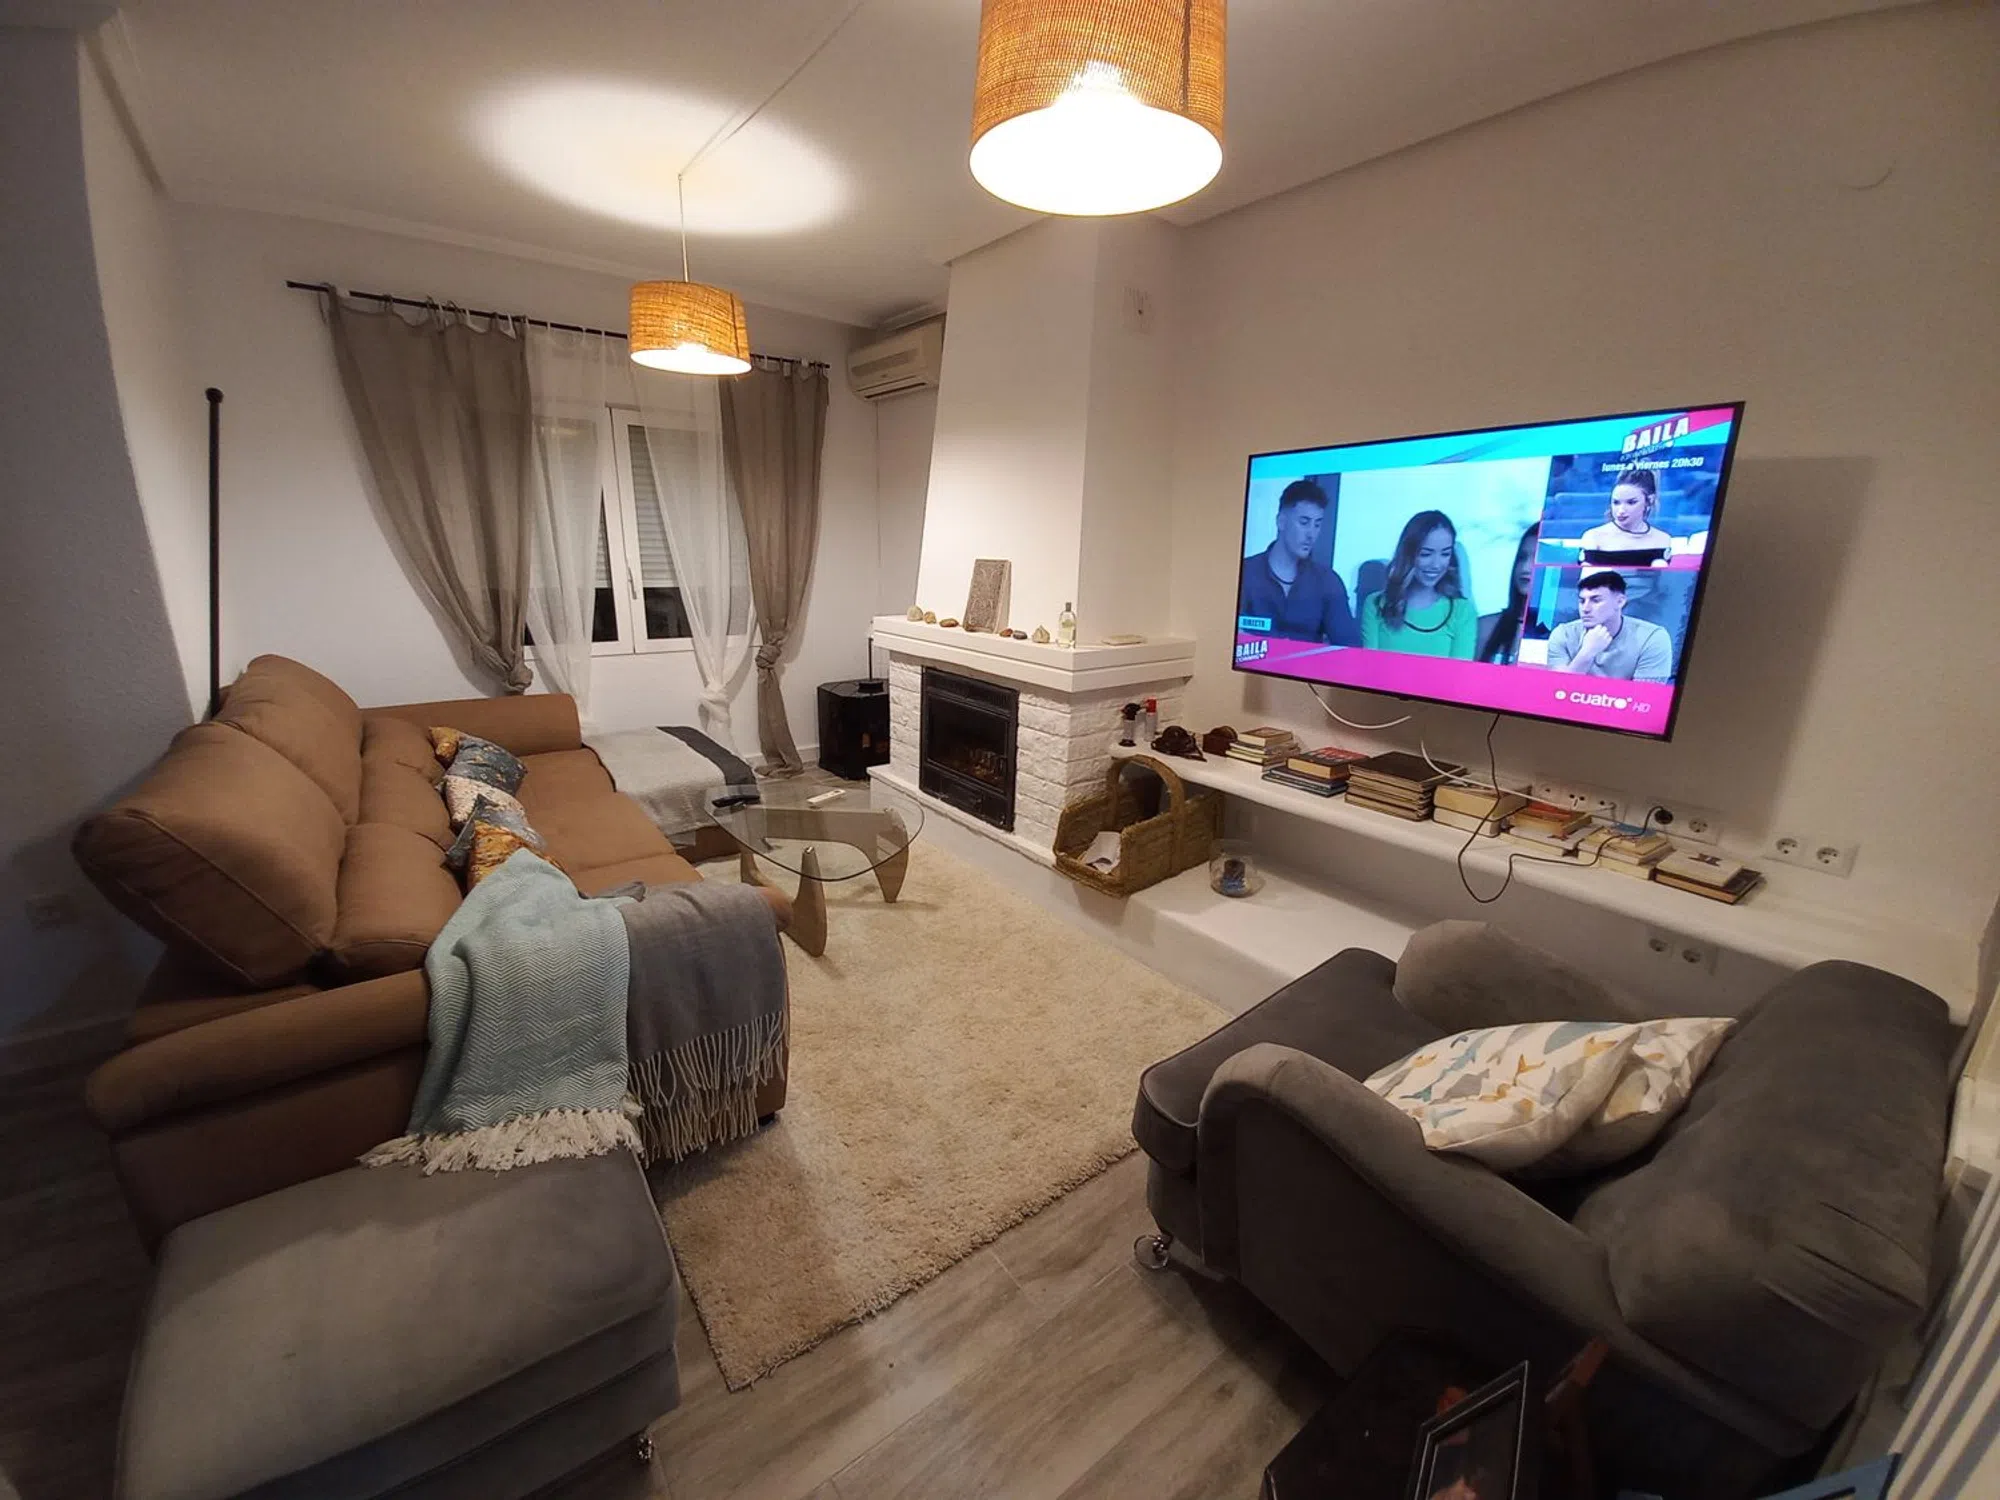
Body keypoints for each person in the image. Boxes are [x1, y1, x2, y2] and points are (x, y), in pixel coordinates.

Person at [1236, 478, 1361, 645]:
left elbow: (1350, 648)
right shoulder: (1244, 573)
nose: (1311, 534)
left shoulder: (1328, 581)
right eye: (1304, 522)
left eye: (1317, 525)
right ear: (1281, 521)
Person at [1361, 510, 1477, 658]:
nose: (1436, 565)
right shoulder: (1376, 604)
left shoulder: (1462, 611)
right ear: (1407, 554)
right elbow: (1370, 666)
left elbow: (1460, 670)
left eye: (1445, 554)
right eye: (1425, 554)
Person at [1546, 570, 1674, 681]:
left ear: (1620, 602)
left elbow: (1647, 697)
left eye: (1596, 600)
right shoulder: (1563, 634)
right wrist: (1587, 652)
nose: (1585, 608)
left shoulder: (1652, 638)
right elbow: (1557, 688)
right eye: (1582, 601)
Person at [1579, 469, 1676, 560]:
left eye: (1631, 502)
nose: (1621, 510)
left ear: (1649, 501)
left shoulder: (1662, 539)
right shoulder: (1594, 537)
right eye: (1616, 503)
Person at [1476, 525, 1539, 664]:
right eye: (1522, 558)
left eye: (1536, 559)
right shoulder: (1485, 627)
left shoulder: (1566, 637)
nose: (1525, 568)